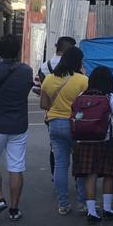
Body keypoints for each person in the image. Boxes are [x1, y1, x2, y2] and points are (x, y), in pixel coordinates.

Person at [0, 35, 34, 221]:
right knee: (16, 166)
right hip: (19, 124)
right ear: (18, 51)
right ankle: (14, 209)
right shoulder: (27, 71)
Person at [71, 65, 113, 225]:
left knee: (90, 176)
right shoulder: (110, 98)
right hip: (105, 141)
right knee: (108, 174)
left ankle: (92, 211)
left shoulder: (81, 95)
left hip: (84, 141)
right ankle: (107, 209)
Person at [41, 46, 89, 215]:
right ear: (78, 61)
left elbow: (44, 105)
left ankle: (63, 204)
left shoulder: (48, 79)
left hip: (55, 124)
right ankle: (82, 203)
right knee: (81, 165)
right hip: (76, 125)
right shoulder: (83, 80)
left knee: (60, 165)